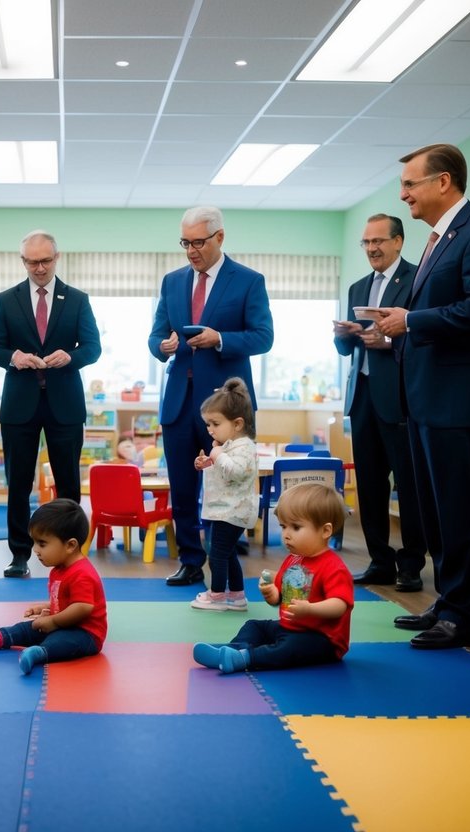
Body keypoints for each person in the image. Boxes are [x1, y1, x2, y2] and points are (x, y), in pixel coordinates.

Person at [375, 143, 470, 650]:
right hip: (424, 397)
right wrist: (399, 329)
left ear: (444, 182)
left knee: (457, 508)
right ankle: (446, 601)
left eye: (410, 184)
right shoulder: (437, 239)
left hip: (458, 399)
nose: (403, 193)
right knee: (433, 510)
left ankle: (463, 616)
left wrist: (410, 320)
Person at [149, 206, 274, 586]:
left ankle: (223, 560)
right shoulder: (172, 282)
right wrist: (164, 345)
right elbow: (155, 336)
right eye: (185, 242)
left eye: (198, 242)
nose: (190, 250)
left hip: (225, 406)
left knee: (228, 484)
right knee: (183, 489)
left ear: (220, 237)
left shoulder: (249, 281)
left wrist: (219, 338)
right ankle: (190, 560)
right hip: (179, 400)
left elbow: (263, 336)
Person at [0, 230, 101, 578]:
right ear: (23, 262)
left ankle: (71, 554)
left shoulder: (77, 299)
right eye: (32, 262)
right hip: (19, 405)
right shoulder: (6, 300)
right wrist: (14, 356)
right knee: (18, 483)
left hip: (65, 404)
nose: (39, 268)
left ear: (57, 258)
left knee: (67, 484)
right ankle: (19, 554)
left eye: (45, 261)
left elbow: (92, 348)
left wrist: (72, 356)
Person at [333, 214, 427, 593]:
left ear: (399, 242)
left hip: (402, 398)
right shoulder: (357, 288)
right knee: (369, 485)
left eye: (379, 242)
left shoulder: (417, 281)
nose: (372, 249)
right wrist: (346, 336)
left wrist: (388, 343)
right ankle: (379, 560)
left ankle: (411, 565)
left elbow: (423, 337)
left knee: (408, 486)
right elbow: (346, 350)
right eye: (366, 243)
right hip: (364, 397)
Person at [192, 482, 354, 673]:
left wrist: (310, 609)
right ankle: (232, 650)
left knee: (288, 648)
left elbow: (340, 605)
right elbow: (280, 598)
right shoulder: (294, 560)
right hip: (290, 627)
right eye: (284, 527)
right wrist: (273, 595)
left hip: (321, 639)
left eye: (295, 527)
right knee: (254, 626)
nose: (286, 535)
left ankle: (244, 658)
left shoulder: (333, 567)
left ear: (325, 531)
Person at [0, 499, 107, 675]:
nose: (35, 550)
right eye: (34, 543)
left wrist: (53, 621)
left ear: (70, 545)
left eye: (42, 544)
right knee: (30, 627)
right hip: (63, 623)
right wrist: (46, 607)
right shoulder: (59, 569)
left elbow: (83, 607)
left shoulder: (82, 573)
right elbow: (66, 600)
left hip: (85, 634)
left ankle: (39, 653)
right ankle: (2, 636)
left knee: (61, 640)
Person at [190, 378, 258, 612]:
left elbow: (236, 472)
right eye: (208, 424)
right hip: (225, 509)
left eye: (215, 423)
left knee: (216, 555)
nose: (210, 430)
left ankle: (217, 595)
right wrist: (207, 462)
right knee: (227, 554)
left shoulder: (245, 447)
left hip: (232, 511)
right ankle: (237, 596)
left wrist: (217, 454)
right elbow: (223, 471)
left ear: (237, 423)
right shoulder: (229, 446)